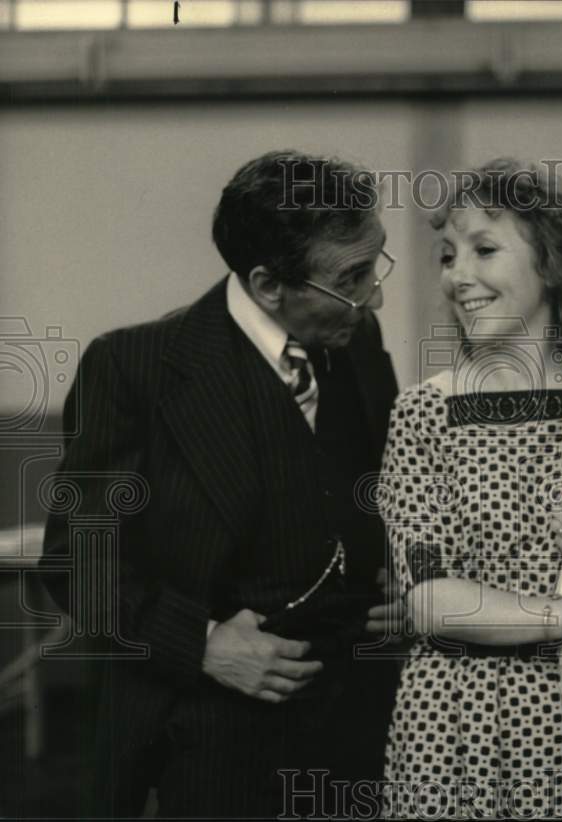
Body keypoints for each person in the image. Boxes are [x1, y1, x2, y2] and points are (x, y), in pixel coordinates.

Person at [40, 149, 400, 818]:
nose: (373, 294)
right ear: (268, 286)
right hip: (211, 741)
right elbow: (77, 563)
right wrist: (202, 645)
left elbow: (382, 498)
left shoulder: (360, 339)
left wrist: (404, 576)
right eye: (351, 277)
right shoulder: (134, 368)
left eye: (375, 265)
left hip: (359, 736)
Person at [375, 159, 562, 818]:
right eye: (447, 256)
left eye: (484, 250)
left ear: (553, 264)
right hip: (449, 732)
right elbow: (430, 599)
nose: (457, 276)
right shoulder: (423, 415)